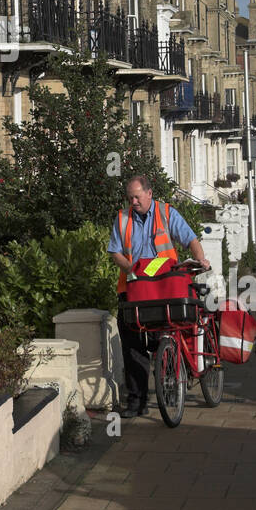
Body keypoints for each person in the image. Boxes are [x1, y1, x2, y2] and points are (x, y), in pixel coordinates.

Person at [108, 174, 210, 418]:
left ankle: (174, 371)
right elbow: (115, 252)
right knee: (132, 346)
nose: (133, 201)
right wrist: (130, 268)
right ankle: (137, 401)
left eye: (137, 196)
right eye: (130, 197)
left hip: (165, 288)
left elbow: (190, 238)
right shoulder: (122, 219)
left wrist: (201, 259)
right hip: (134, 289)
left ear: (149, 194)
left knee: (166, 333)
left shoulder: (166, 213)